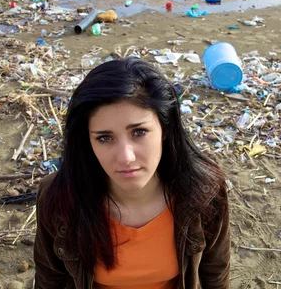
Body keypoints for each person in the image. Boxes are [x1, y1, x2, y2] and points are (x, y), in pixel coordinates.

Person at [34, 58, 230, 288]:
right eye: (104, 138)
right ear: (88, 141)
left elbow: (214, 276)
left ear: (165, 129)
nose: (126, 157)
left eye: (139, 132)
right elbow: (50, 280)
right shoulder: (59, 196)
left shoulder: (205, 191)